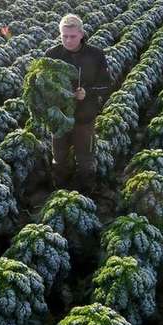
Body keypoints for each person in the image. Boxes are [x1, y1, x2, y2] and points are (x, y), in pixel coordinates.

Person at [45, 14, 112, 194]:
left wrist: (87, 93)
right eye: (64, 36)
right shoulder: (52, 55)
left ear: (81, 34)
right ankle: (60, 189)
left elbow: (106, 84)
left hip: (85, 116)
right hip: (60, 117)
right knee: (59, 157)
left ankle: (85, 192)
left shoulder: (95, 54)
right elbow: (43, 86)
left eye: (72, 36)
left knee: (85, 159)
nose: (68, 40)